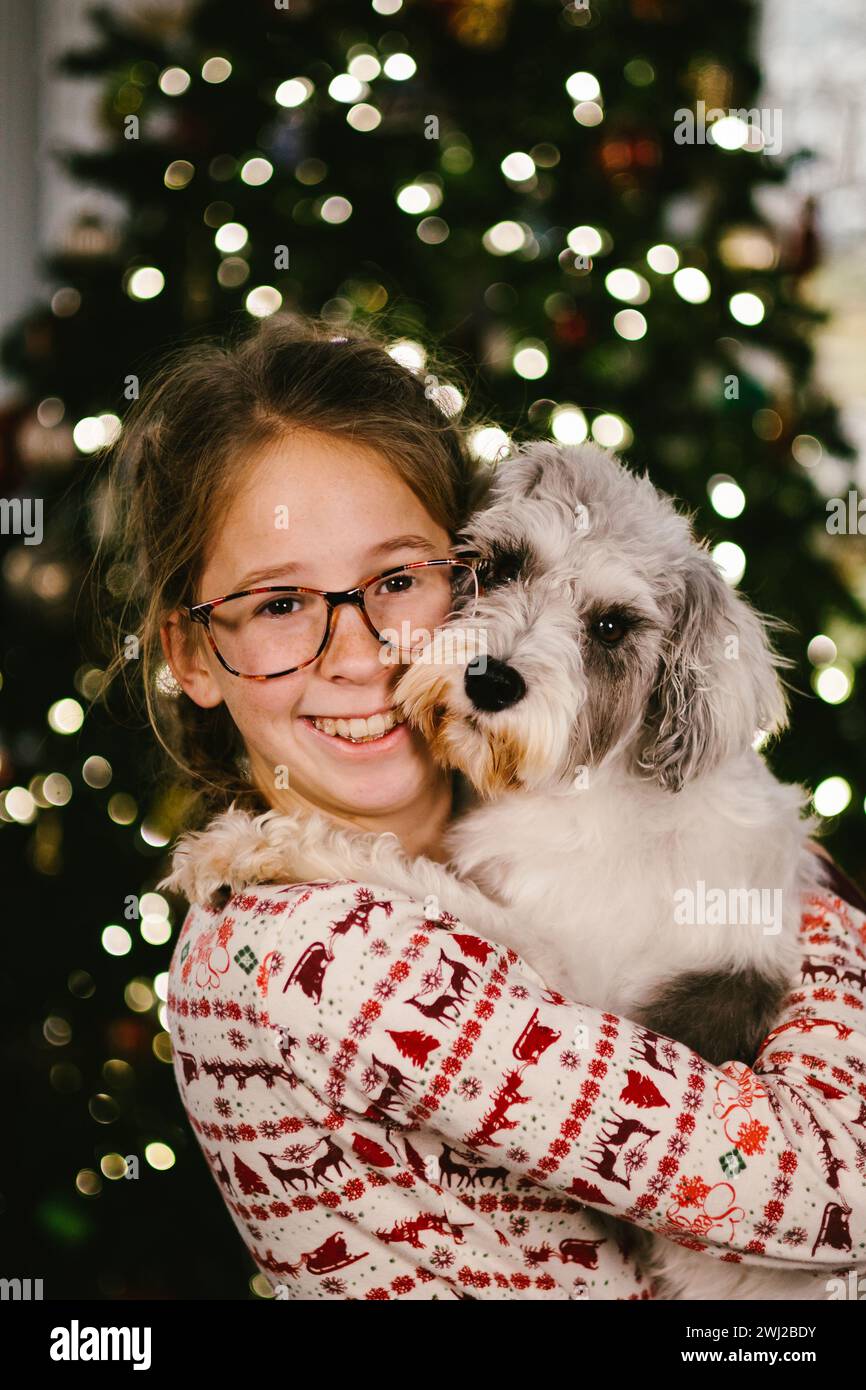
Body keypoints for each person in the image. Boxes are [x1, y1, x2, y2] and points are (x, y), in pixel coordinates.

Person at [101, 314, 866, 1300]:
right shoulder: (320, 952)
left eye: (399, 579)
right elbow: (821, 1181)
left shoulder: (519, 827)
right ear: (192, 653)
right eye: (280, 601)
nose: (363, 652)